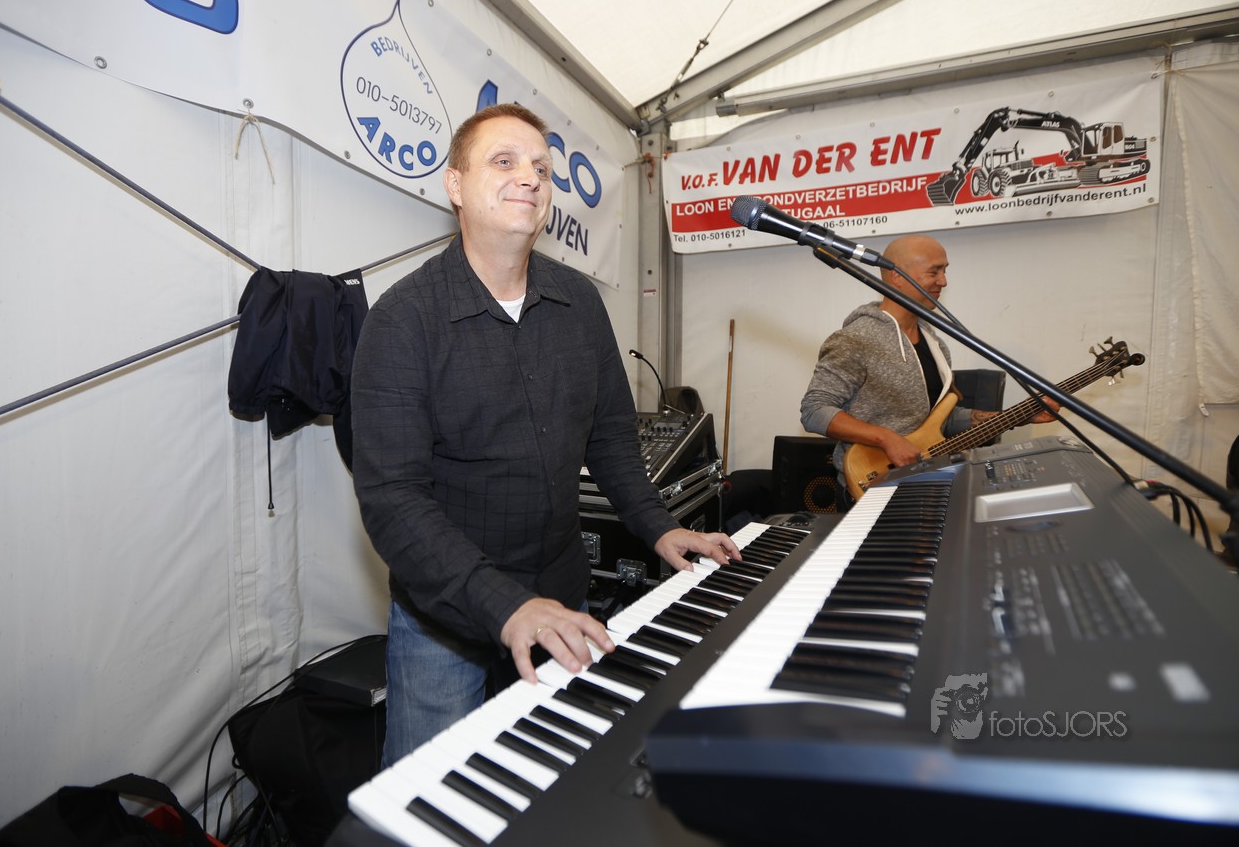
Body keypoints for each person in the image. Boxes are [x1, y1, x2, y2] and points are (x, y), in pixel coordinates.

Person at [351, 103, 741, 767]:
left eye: (540, 167)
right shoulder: (402, 320)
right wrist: (506, 605)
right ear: (455, 185)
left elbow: (611, 437)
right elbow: (393, 499)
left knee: (546, 779)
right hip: (443, 621)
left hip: (561, 596)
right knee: (433, 793)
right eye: (504, 161)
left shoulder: (578, 302)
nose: (529, 177)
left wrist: (659, 527)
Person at [800, 234, 1055, 493]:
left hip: (923, 482)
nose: (943, 281)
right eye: (934, 272)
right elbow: (814, 411)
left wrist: (1018, 416)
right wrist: (886, 438)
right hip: (872, 483)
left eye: (944, 271)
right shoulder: (855, 339)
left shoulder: (935, 343)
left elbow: (943, 419)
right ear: (897, 276)